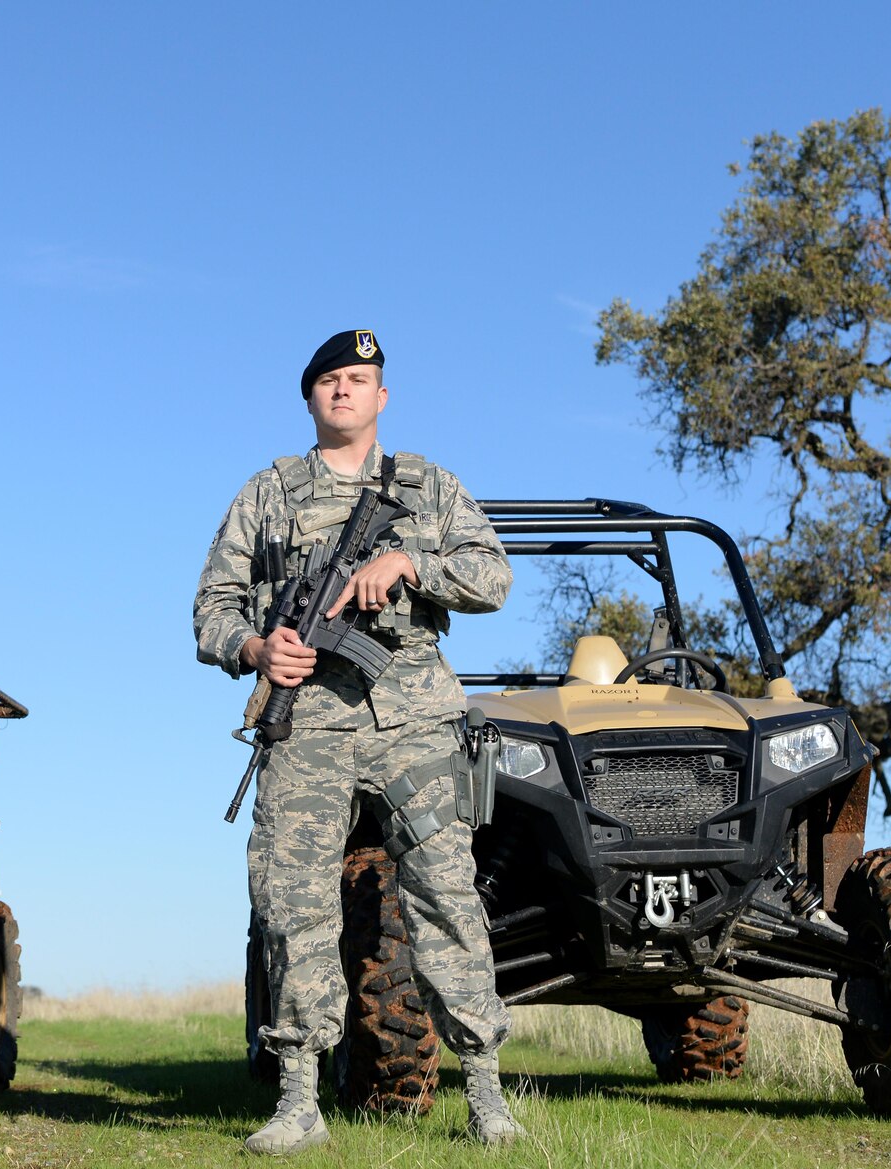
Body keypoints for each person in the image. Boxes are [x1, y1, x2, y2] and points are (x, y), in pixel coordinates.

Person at [193, 330, 523, 1154]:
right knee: (292, 901)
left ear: (382, 397)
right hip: (306, 726)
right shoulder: (267, 493)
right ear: (311, 397)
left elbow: (494, 577)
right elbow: (211, 608)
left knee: (447, 892)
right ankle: (300, 1095)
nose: (344, 390)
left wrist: (411, 560)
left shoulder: (429, 485)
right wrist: (257, 648)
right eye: (330, 380)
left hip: (414, 720)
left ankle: (485, 1089)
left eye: (360, 379)